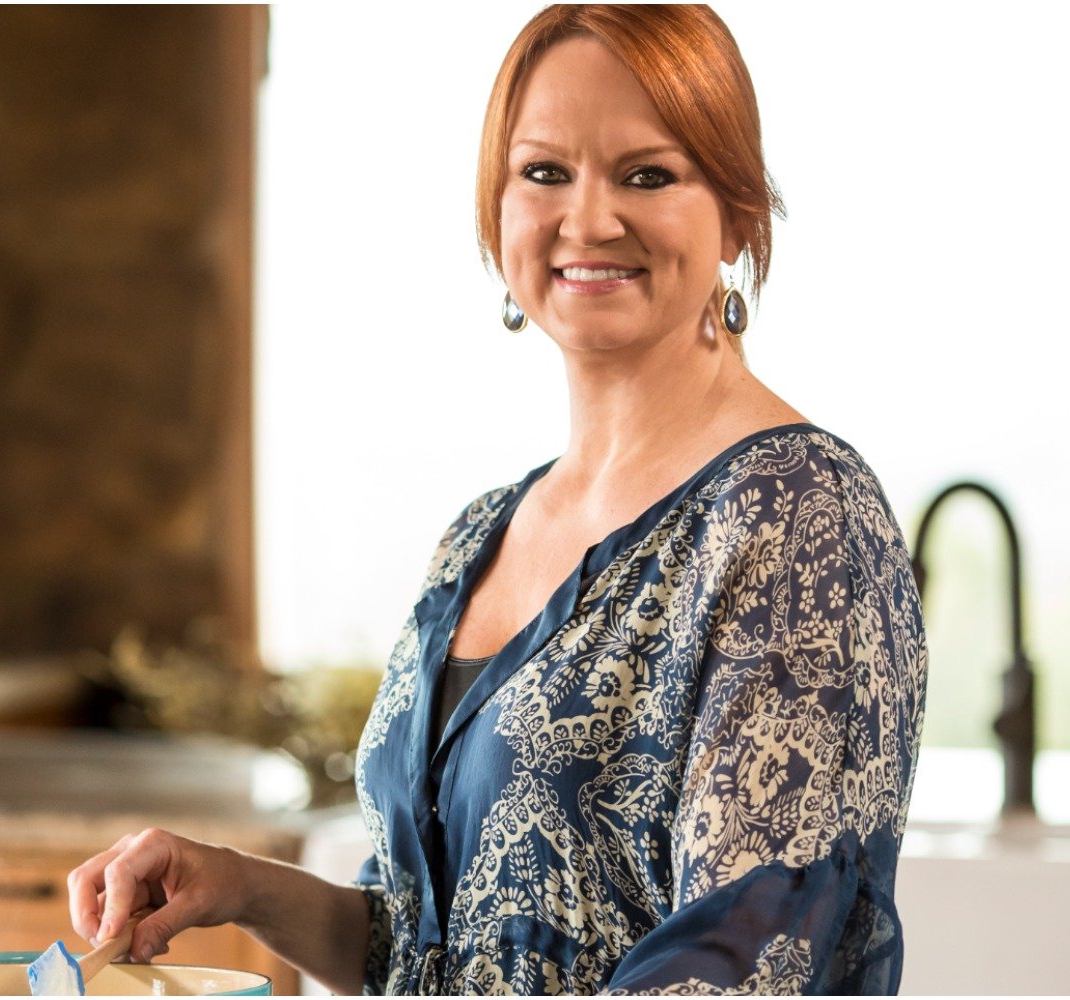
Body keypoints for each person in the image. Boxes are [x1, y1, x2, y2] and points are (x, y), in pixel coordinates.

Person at [67, 5, 927, 994]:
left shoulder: (794, 515)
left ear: (736, 213)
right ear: (496, 212)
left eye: (646, 174)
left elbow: (747, 965)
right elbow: (432, 951)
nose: (588, 218)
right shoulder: (480, 534)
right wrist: (239, 887)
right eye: (543, 172)